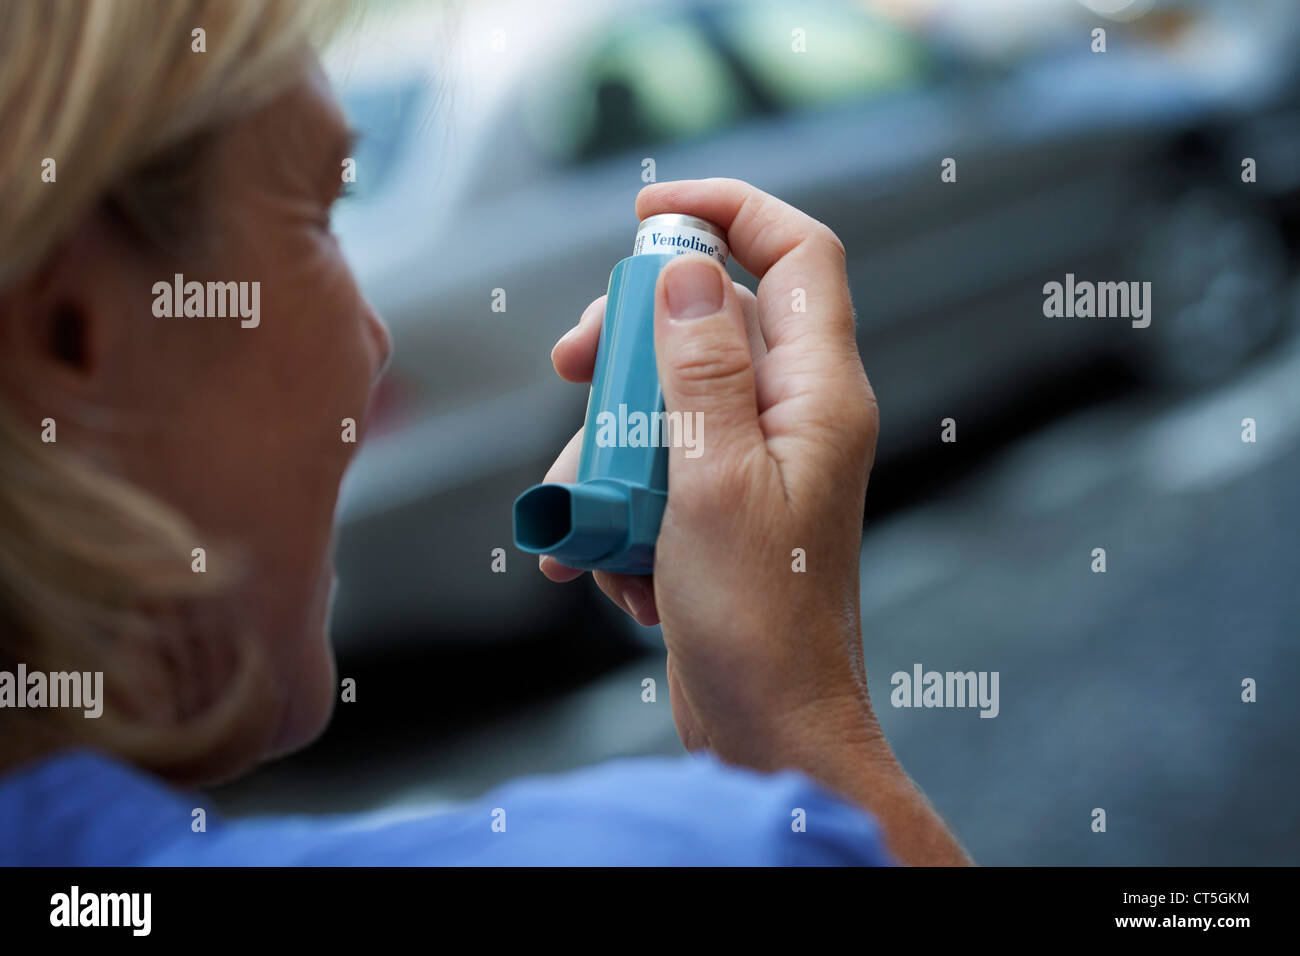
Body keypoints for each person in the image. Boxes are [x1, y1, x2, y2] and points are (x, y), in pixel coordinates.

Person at [0, 0, 970, 866]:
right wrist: (798, 717)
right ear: (72, 332)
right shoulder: (716, 851)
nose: (375, 339)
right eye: (319, 214)